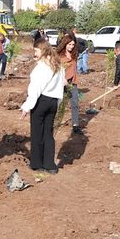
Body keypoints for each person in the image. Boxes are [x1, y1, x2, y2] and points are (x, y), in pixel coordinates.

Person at [20, 39, 65, 174]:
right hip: (53, 102)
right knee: (48, 133)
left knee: (37, 132)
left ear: (43, 50)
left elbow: (35, 88)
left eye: (36, 50)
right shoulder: (57, 65)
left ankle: (36, 163)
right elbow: (61, 85)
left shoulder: (42, 67)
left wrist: (27, 106)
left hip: (41, 101)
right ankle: (50, 165)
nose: (35, 53)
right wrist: (57, 102)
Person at [56, 34, 83, 134]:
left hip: (72, 83)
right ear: (65, 44)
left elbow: (85, 44)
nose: (71, 46)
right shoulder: (59, 56)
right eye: (69, 44)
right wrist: (63, 79)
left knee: (75, 104)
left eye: (73, 44)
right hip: (61, 83)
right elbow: (56, 70)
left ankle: (75, 125)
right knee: (58, 104)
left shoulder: (75, 55)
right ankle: (54, 122)